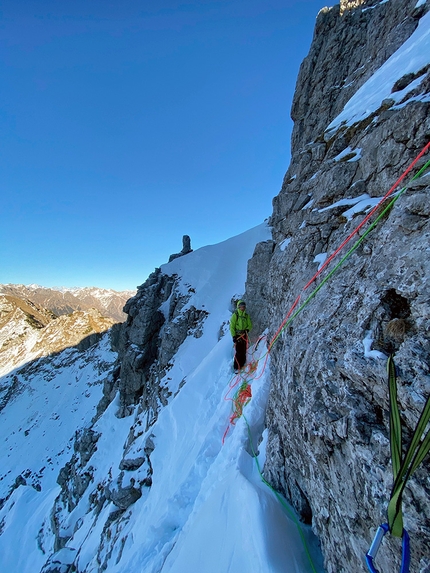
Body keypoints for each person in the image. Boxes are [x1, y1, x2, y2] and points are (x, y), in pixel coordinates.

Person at [229, 300, 252, 372]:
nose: (242, 308)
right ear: (238, 307)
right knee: (239, 351)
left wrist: (247, 330)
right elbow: (232, 327)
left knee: (244, 350)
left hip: (244, 335)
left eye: (243, 306)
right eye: (241, 306)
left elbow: (250, 325)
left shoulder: (246, 316)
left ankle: (242, 364)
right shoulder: (235, 315)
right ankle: (236, 367)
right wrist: (234, 336)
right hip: (238, 336)